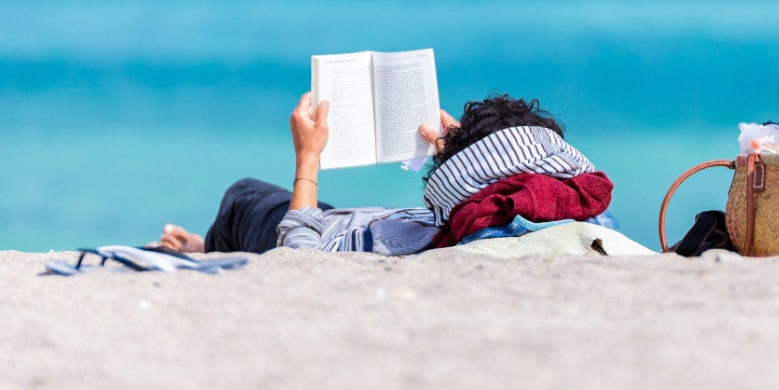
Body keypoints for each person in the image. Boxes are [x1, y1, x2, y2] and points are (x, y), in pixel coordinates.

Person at [158, 92, 614, 255]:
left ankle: (207, 249)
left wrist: (308, 158)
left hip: (329, 236)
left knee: (245, 196)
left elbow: (297, 256)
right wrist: (460, 148)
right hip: (372, 224)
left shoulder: (473, 226)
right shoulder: (570, 202)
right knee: (324, 210)